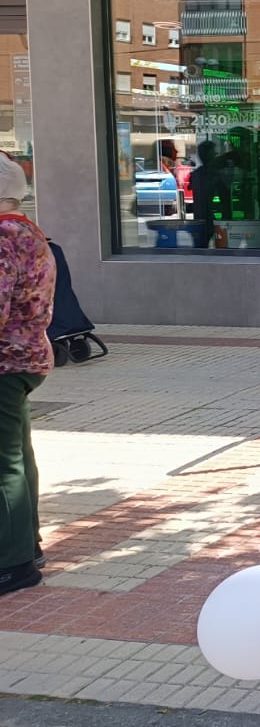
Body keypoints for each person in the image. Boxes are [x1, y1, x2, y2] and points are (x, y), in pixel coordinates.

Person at [0, 155, 55, 596]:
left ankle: (13, 563)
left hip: (5, 362)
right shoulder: (26, 231)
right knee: (18, 456)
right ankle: (27, 546)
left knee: (5, 465)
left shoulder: (2, 237)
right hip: (27, 357)